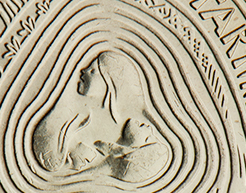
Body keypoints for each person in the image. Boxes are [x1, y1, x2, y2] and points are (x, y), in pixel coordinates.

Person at [32, 51, 170, 183]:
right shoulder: (77, 117)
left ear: (109, 82)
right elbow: (49, 158)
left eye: (92, 71)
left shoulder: (140, 130)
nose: (84, 71)